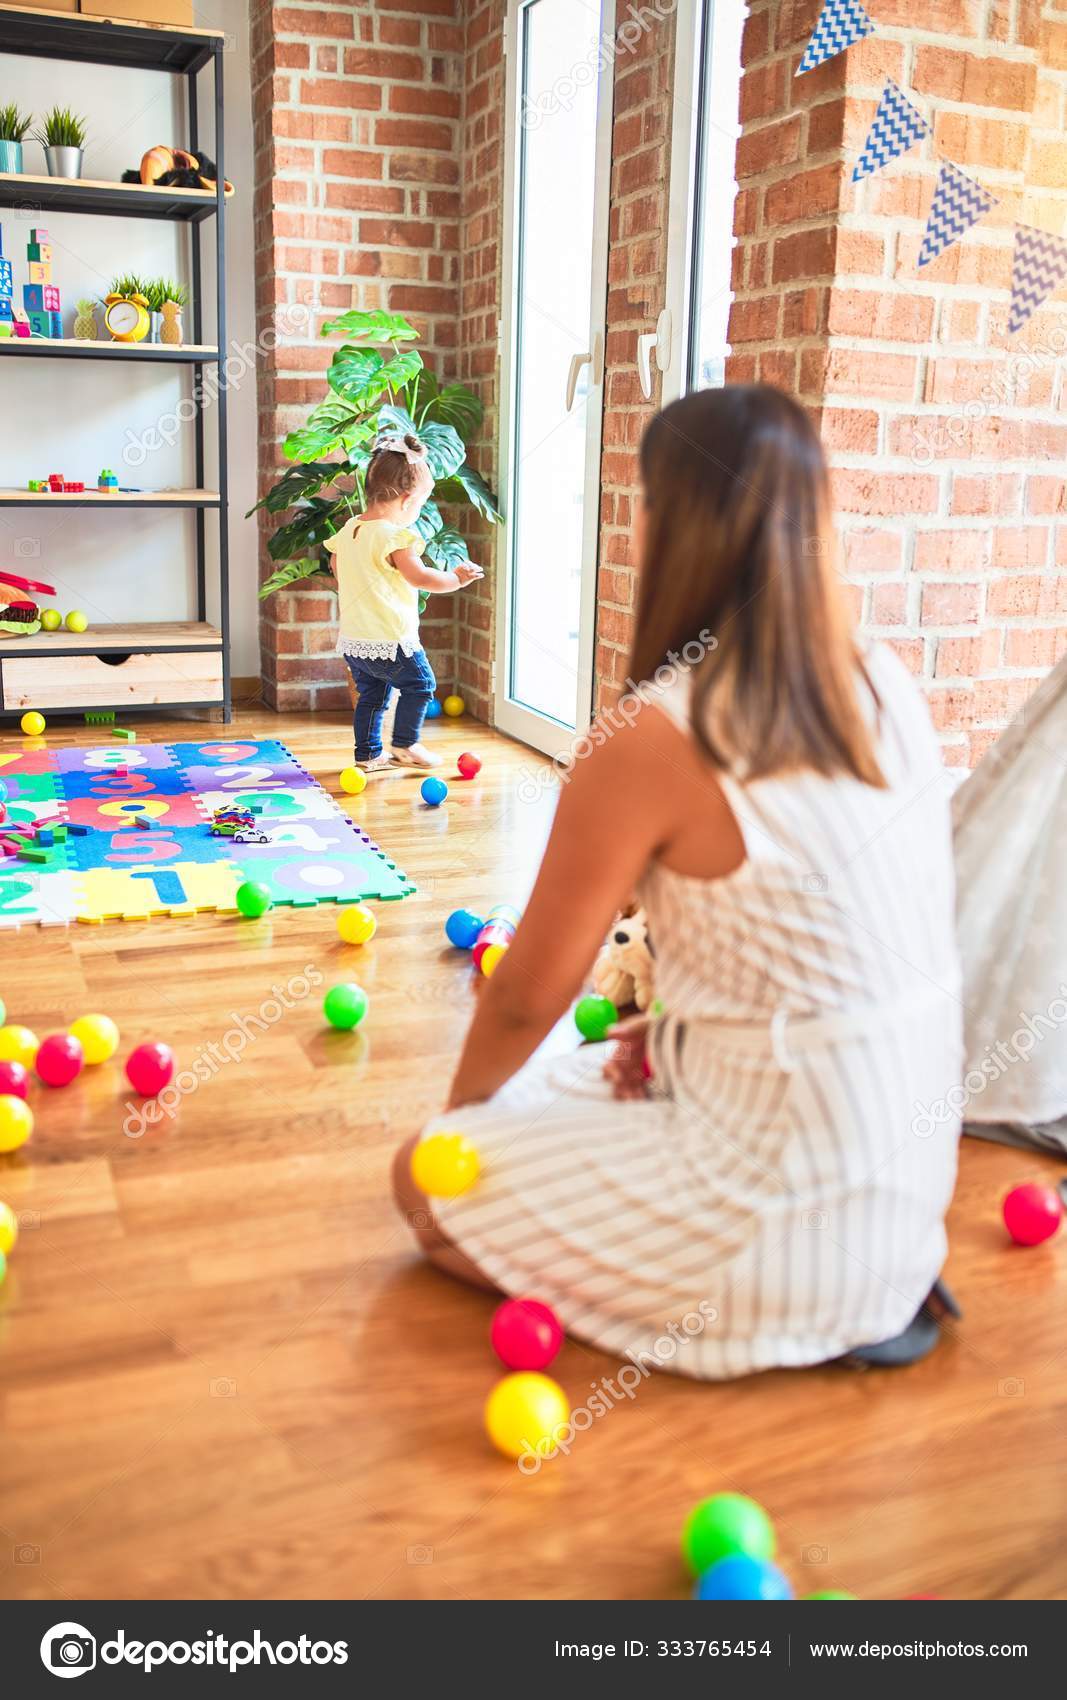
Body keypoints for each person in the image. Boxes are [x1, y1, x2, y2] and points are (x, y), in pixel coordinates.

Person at [395, 384, 963, 1379]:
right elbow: (844, 936)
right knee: (587, 1076)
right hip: (908, 1189)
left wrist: (459, 1131)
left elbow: (531, 991)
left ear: (670, 524)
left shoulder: (657, 732)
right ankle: (832, 1275)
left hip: (780, 1192)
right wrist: (677, 1032)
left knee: (422, 1186)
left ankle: (770, 1301)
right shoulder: (877, 678)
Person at [324, 431, 482, 771]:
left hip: (355, 639)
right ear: (408, 499)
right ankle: (406, 744)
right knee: (421, 685)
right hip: (391, 638)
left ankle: (367, 754)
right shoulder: (396, 536)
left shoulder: (350, 529)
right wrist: (456, 579)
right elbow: (420, 577)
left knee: (373, 697)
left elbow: (336, 567)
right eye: (422, 503)